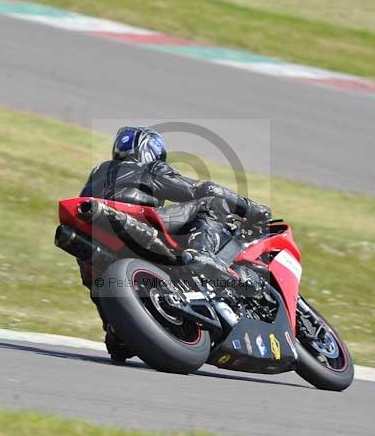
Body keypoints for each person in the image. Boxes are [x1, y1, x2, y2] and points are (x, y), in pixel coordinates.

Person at [79, 126, 271, 360]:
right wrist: (251, 208)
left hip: (97, 235)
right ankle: (202, 252)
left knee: (96, 278)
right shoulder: (149, 168)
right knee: (210, 202)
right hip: (138, 220)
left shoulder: (98, 172)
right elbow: (200, 189)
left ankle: (115, 330)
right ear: (151, 150)